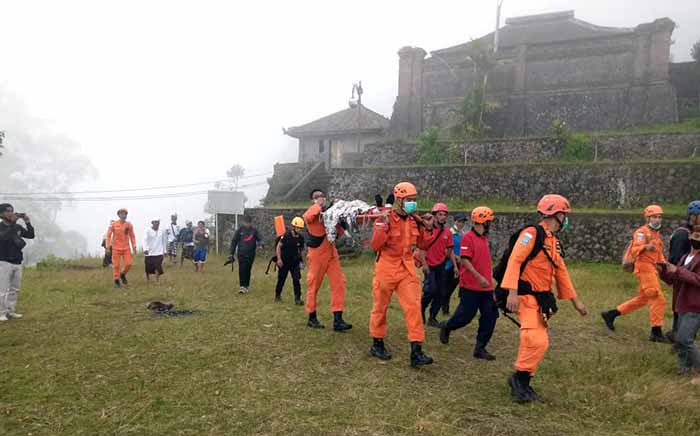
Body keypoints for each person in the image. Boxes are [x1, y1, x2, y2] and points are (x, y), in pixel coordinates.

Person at [502, 194, 588, 402]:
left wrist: (576, 302)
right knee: (535, 340)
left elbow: (561, 271)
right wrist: (512, 293)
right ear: (557, 215)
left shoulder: (553, 241)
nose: (566, 219)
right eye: (565, 215)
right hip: (525, 295)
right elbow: (514, 261)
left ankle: (523, 381)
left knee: (535, 341)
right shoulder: (531, 234)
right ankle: (519, 379)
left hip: (541, 299)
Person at [369, 182, 437, 367]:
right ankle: (377, 343)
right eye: (409, 200)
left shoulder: (415, 220)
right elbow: (375, 246)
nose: (412, 203)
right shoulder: (385, 218)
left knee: (414, 307)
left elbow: (423, 244)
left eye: (414, 200)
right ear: (399, 200)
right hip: (386, 268)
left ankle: (416, 351)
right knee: (380, 307)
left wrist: (428, 227)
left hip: (407, 268)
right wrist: (382, 227)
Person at [601, 205, 671, 342]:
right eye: (654, 217)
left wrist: (665, 263)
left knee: (643, 299)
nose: (658, 219)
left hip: (652, 269)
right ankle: (656, 332)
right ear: (647, 218)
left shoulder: (656, 234)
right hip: (644, 269)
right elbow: (634, 250)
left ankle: (611, 314)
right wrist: (645, 246)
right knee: (658, 298)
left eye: (659, 217)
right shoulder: (641, 232)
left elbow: (658, 254)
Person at [439, 207, 498, 361]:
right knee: (465, 316)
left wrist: (489, 278)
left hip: (486, 287)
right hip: (471, 286)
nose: (490, 225)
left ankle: (480, 348)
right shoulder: (468, 238)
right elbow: (465, 260)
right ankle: (447, 326)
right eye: (489, 222)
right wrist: (479, 278)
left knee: (490, 315)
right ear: (483, 222)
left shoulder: (484, 238)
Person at [302, 188, 352, 331]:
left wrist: (340, 215)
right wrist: (318, 205)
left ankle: (338, 319)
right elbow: (307, 217)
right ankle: (312, 317)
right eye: (316, 196)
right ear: (312, 200)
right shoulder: (312, 213)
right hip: (317, 255)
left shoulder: (330, 214)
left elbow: (341, 231)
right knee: (313, 286)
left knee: (339, 283)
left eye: (322, 196)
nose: (320, 198)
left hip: (331, 254)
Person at [659, 225, 700, 375]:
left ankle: (696, 367)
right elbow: (675, 279)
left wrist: (678, 270)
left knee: (684, 339)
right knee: (680, 340)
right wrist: (663, 271)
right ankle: (685, 369)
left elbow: (697, 279)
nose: (697, 239)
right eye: (696, 235)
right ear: (690, 237)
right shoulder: (684, 258)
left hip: (695, 305)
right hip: (681, 303)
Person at [666, 200, 700, 342]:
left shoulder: (694, 232)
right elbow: (677, 260)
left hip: (691, 280)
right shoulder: (682, 234)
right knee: (681, 313)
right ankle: (678, 340)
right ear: (693, 216)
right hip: (683, 280)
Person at [420, 203, 458, 327]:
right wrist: (424, 264)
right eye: (440, 214)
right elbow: (421, 248)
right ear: (434, 216)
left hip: (441, 266)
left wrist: (455, 266)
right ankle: (420, 310)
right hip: (429, 265)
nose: (442, 217)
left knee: (441, 293)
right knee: (430, 291)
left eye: (444, 215)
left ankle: (432, 317)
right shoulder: (427, 231)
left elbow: (450, 251)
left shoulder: (447, 232)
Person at [0, 204, 34, 321]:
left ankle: (11, 311)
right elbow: (3, 238)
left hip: (17, 261)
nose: (11, 213)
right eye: (8, 211)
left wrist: (27, 222)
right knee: (2, 289)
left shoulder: (18, 227)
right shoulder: (1, 227)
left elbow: (31, 235)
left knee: (15, 289)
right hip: (3, 261)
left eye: (12, 211)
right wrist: (13, 224)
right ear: (1, 214)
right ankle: (1, 313)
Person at [274, 217, 305, 304]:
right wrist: (279, 259)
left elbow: (302, 250)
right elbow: (278, 247)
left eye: (300, 228)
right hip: (284, 262)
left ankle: (298, 298)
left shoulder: (301, 238)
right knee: (281, 279)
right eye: (298, 227)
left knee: (296, 280)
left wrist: (302, 262)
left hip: (295, 262)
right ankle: (277, 296)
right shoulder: (286, 236)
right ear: (293, 227)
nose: (299, 230)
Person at [231, 215, 263, 294]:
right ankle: (242, 286)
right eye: (246, 222)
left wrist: (261, 244)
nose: (247, 224)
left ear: (251, 223)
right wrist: (231, 253)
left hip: (251, 253)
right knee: (242, 269)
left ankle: (246, 285)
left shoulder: (254, 231)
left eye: (248, 223)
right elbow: (234, 241)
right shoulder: (240, 230)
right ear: (243, 222)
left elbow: (260, 238)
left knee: (248, 269)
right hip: (241, 253)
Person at [443, 213, 468, 315]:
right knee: (447, 287)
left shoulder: (462, 234)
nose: (461, 224)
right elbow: (446, 248)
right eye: (459, 221)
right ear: (455, 222)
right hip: (450, 264)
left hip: (460, 264)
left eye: (463, 222)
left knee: (453, 287)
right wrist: (456, 258)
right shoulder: (449, 233)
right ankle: (445, 308)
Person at [105, 208, 136, 288]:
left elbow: (132, 236)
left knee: (128, 263)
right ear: (119, 215)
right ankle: (116, 280)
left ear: (126, 215)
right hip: (116, 248)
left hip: (126, 248)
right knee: (116, 265)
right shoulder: (113, 224)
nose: (123, 215)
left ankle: (122, 274)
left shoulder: (129, 225)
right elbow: (108, 236)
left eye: (125, 214)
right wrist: (108, 246)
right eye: (121, 214)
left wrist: (134, 246)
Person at [143, 218, 167, 283]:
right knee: (148, 267)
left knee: (158, 266)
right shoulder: (147, 230)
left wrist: (164, 251)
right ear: (152, 223)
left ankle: (157, 280)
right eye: (155, 222)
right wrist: (145, 249)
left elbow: (164, 241)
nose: (157, 224)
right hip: (149, 252)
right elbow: (145, 240)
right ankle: (147, 277)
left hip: (159, 252)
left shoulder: (162, 231)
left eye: (158, 222)